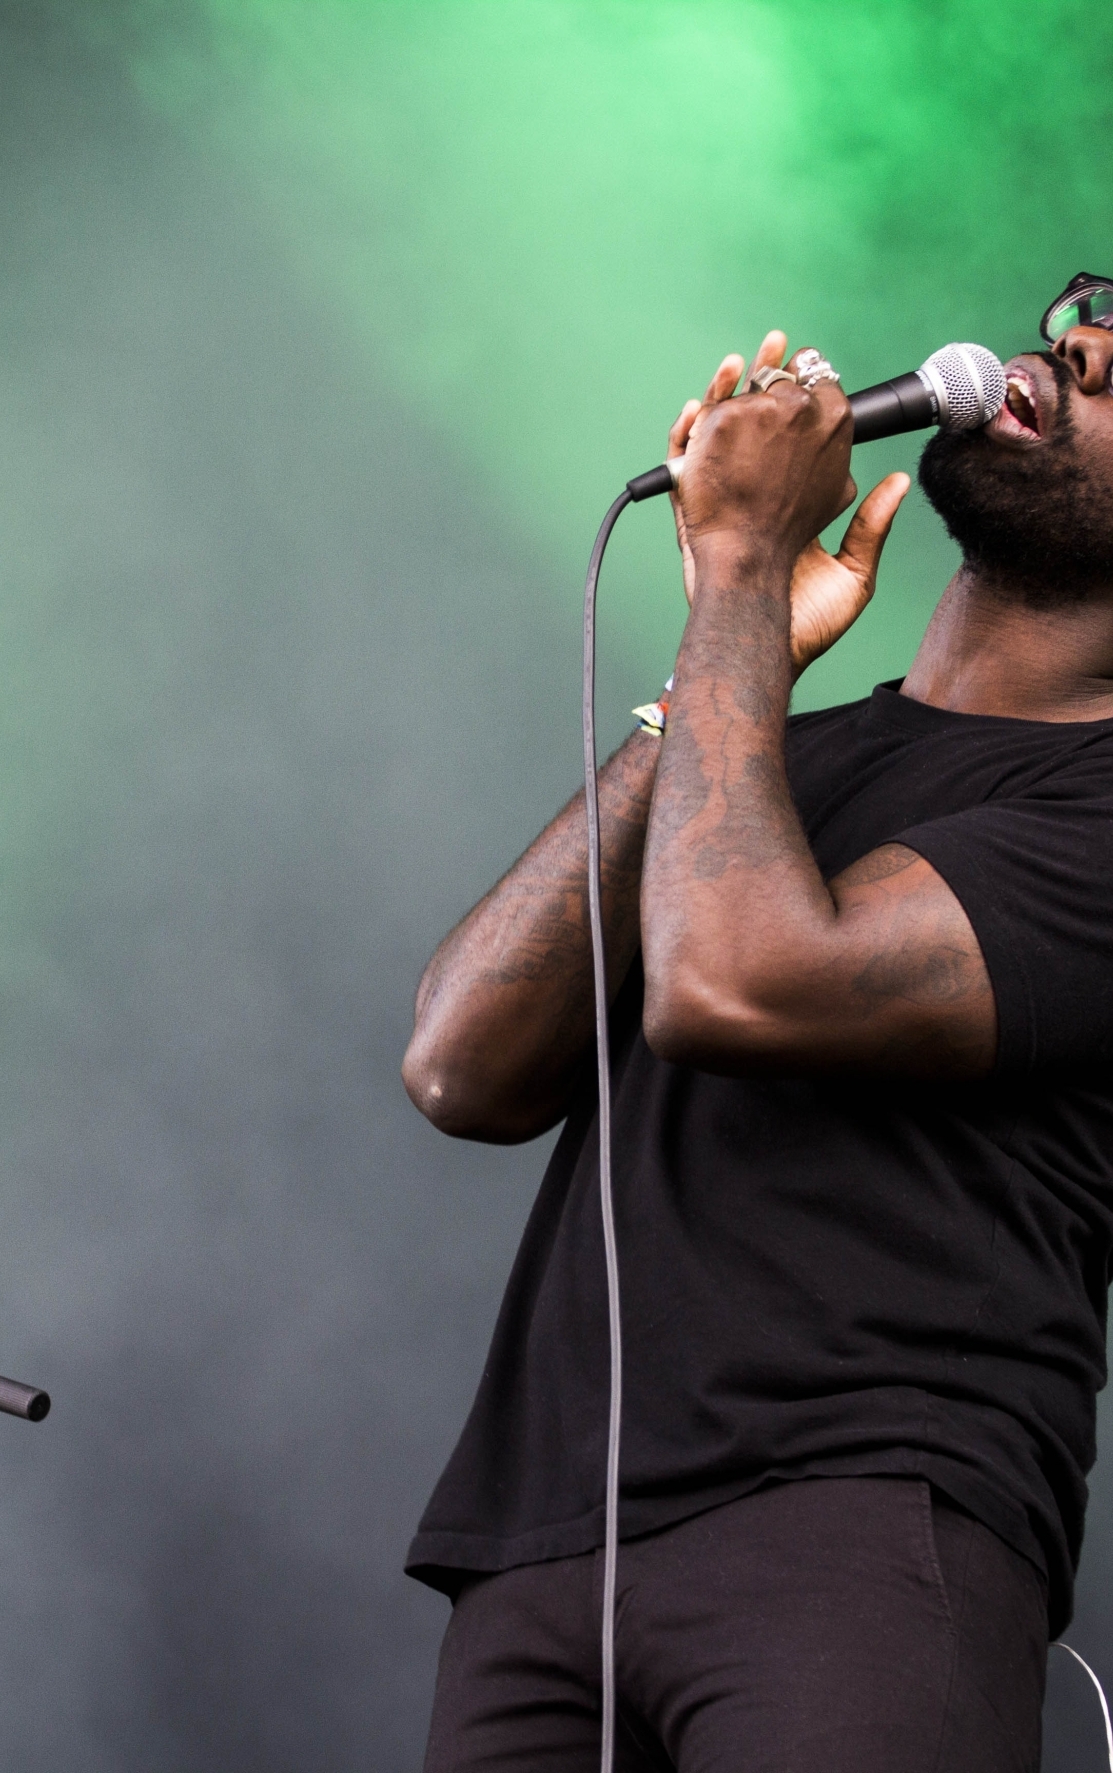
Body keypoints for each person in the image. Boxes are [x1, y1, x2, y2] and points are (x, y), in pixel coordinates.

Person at [400, 275, 1113, 1773]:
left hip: (856, 1525)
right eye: (1088, 312)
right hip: (550, 1540)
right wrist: (724, 668)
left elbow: (742, 983)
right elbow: (458, 1058)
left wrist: (731, 572)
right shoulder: (768, 753)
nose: (1081, 341)